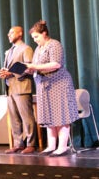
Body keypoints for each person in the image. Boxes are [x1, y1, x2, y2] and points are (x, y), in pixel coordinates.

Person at [25, 20, 79, 157]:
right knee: (48, 116)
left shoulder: (54, 44)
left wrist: (34, 67)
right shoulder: (38, 49)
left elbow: (55, 64)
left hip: (58, 84)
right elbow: (37, 66)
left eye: (36, 37)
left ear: (44, 33)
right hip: (44, 86)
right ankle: (51, 146)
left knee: (61, 115)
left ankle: (62, 147)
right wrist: (28, 69)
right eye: (33, 38)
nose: (35, 40)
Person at [0, 26, 37, 154]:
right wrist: (3, 72)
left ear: (20, 33)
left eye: (11, 32)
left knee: (27, 117)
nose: (9, 35)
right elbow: (8, 68)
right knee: (14, 118)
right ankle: (18, 144)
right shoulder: (9, 51)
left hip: (22, 87)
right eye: (8, 33)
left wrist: (11, 73)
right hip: (10, 88)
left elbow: (29, 67)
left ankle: (31, 144)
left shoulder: (26, 49)